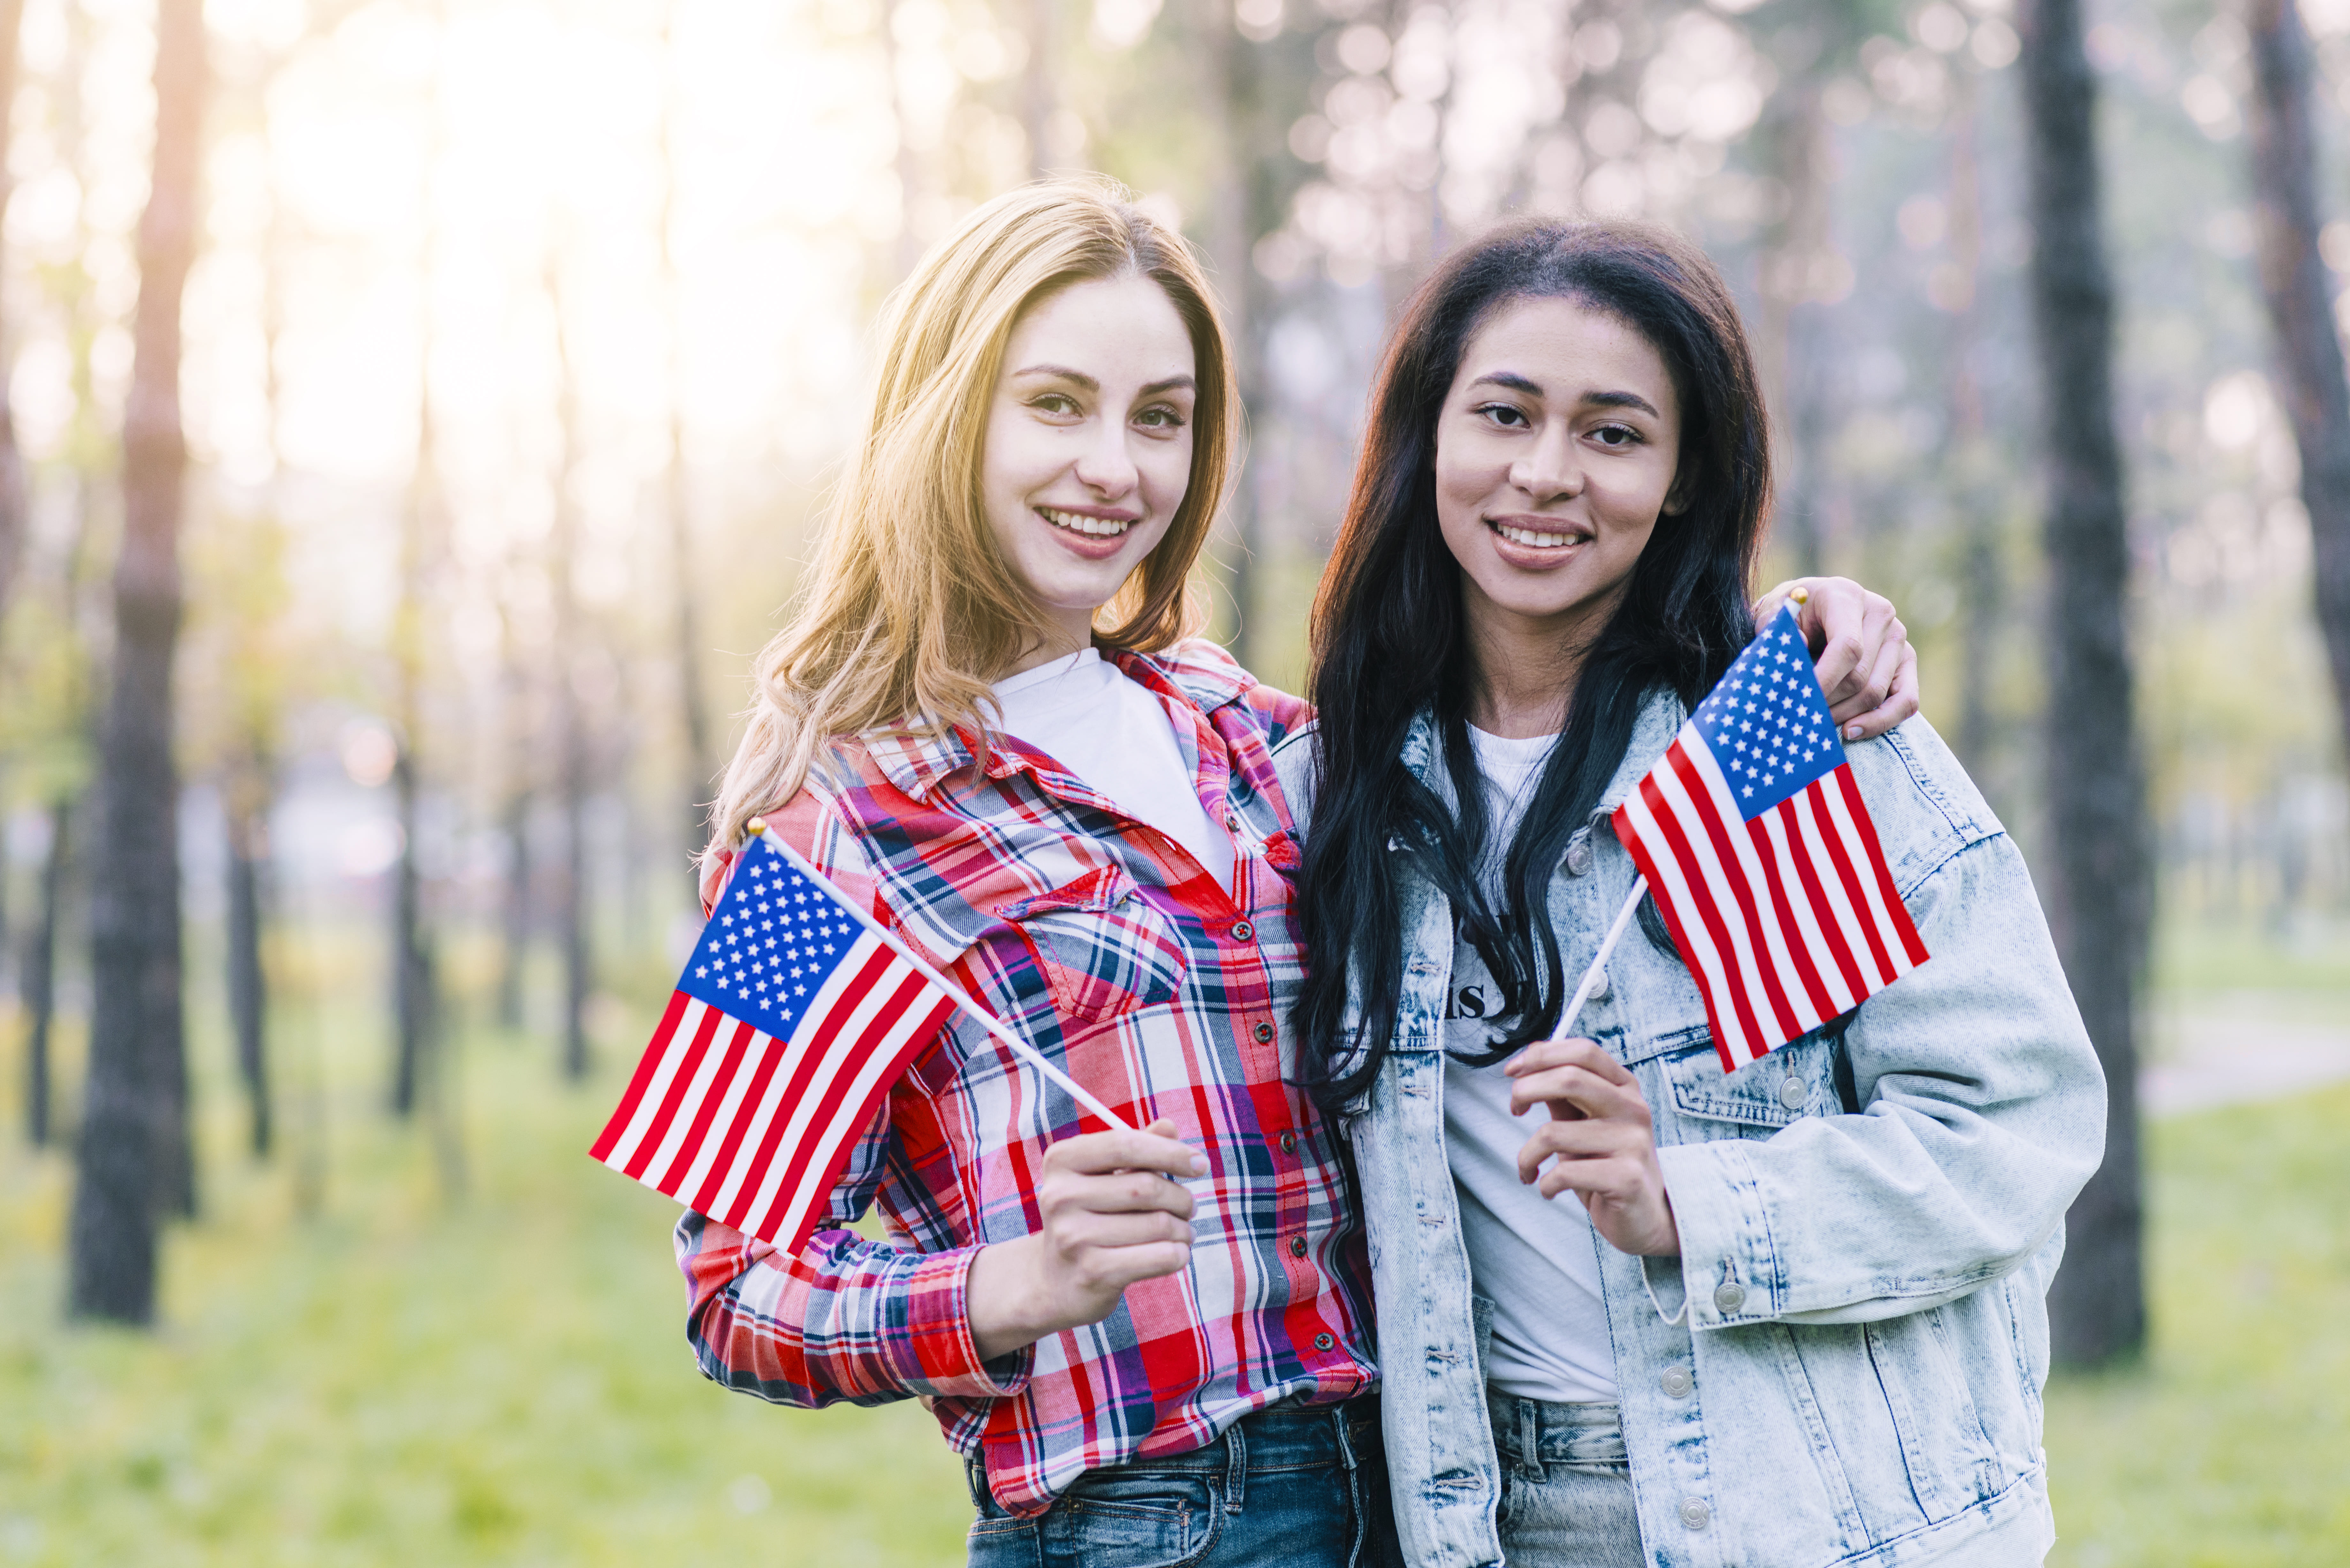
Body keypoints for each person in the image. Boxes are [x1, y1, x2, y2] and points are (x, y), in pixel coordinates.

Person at [678, 177, 1917, 1567]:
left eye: (1159, 417)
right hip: (1151, 1519)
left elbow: (1535, 700)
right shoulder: (818, 830)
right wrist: (1015, 1283)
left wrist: (1799, 620)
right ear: (943, 414)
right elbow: (736, 1293)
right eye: (1055, 404)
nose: (1113, 466)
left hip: (1420, 1487)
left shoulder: (1253, 735)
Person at [1278, 216, 2107, 1568]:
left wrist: (1694, 1201)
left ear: (1679, 478)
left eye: (1613, 433)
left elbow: (2017, 1122)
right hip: (1478, 1508)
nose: (1545, 474)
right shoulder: (1337, 785)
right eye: (1503, 414)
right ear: (1429, 436)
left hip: (1803, 1507)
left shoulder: (1794, 735)